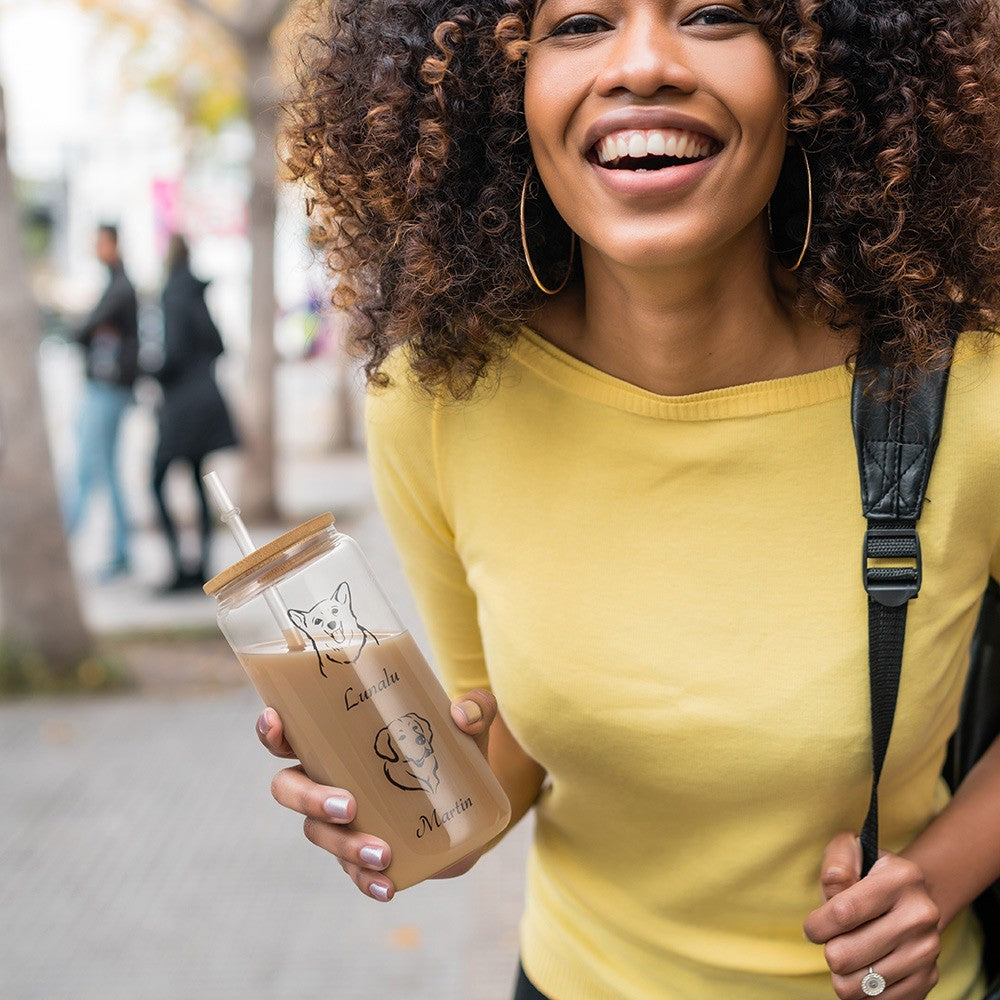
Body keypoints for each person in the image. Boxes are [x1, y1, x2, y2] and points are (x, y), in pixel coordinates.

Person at [257, 3, 1000, 998]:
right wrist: (416, 808)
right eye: (579, 25)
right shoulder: (436, 402)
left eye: (712, 14)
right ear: (500, 84)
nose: (641, 64)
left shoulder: (969, 396)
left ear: (813, 74)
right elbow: (511, 734)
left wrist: (933, 882)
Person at [150, 234, 237, 591]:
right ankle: (199, 567)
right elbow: (219, 345)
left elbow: (172, 353)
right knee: (200, 484)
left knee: (155, 481)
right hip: (207, 399)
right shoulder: (198, 293)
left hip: (182, 407)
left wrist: (150, 370)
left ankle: (180, 567)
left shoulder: (172, 294)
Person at [63, 223, 139, 581]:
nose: (96, 250)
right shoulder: (114, 284)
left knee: (88, 470)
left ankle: (62, 545)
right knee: (103, 471)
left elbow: (82, 330)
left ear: (113, 244)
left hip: (108, 391)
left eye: (100, 244)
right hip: (106, 389)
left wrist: (90, 328)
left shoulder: (120, 288)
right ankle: (121, 552)